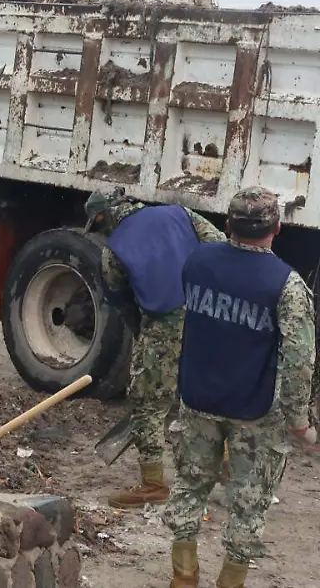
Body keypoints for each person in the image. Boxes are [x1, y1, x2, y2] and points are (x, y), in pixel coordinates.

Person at [164, 186, 318, 588]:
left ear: (229, 223)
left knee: (190, 485)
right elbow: (300, 360)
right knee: (249, 503)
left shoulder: (197, 261)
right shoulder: (286, 285)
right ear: (277, 228)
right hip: (255, 409)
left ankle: (183, 577)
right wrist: (300, 422)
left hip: (197, 398)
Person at [84, 189, 226, 508]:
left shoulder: (113, 253)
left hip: (164, 324)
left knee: (147, 403)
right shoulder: (179, 213)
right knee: (209, 396)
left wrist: (144, 339)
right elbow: (220, 247)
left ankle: (153, 484)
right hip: (208, 315)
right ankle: (229, 470)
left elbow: (122, 303)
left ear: (104, 217)